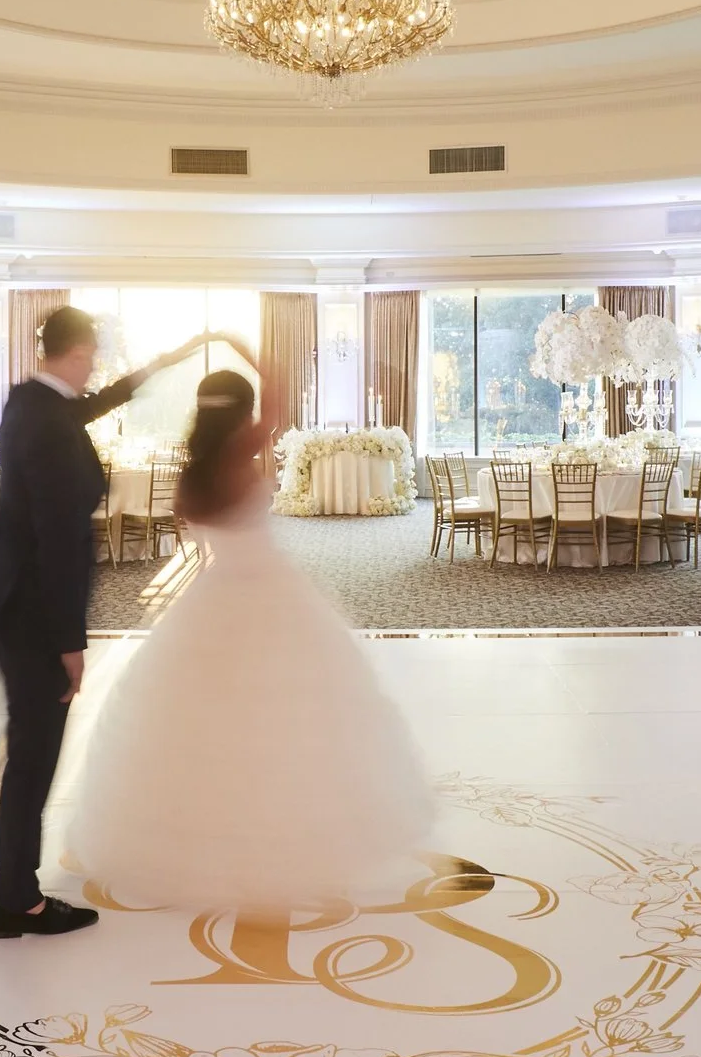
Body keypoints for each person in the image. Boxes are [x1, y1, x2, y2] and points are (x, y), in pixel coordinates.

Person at [66, 367, 433, 909]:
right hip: (270, 591)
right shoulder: (241, 450)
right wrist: (258, 361)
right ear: (240, 410)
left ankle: (201, 842)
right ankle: (286, 847)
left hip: (211, 599)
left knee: (196, 728)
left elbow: (189, 521)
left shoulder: (193, 475)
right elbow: (281, 405)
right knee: (299, 721)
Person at [0, 307, 222, 939]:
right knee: (35, 751)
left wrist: (162, 363)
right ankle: (18, 900)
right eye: (93, 355)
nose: (95, 367)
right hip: (31, 612)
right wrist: (69, 642)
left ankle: (15, 890)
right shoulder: (51, 422)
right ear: (79, 351)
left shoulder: (30, 402)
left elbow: (93, 403)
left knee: (29, 745)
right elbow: (58, 540)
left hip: (4, 596)